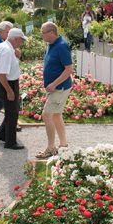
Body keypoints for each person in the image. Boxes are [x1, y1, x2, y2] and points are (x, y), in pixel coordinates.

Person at [36, 22, 73, 158]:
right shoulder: (50, 45)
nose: (41, 35)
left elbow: (69, 69)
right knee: (56, 115)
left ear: (51, 32)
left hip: (59, 88)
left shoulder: (62, 46)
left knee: (47, 115)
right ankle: (63, 144)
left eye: (43, 32)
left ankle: (51, 147)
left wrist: (53, 83)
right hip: (55, 87)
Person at [0, 28, 27, 150]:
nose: (21, 43)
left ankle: (1, 134)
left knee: (11, 110)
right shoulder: (6, 50)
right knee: (12, 113)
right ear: (15, 39)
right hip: (7, 83)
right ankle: (10, 142)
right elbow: (2, 73)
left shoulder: (4, 46)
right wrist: (9, 90)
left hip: (6, 81)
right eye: (21, 40)